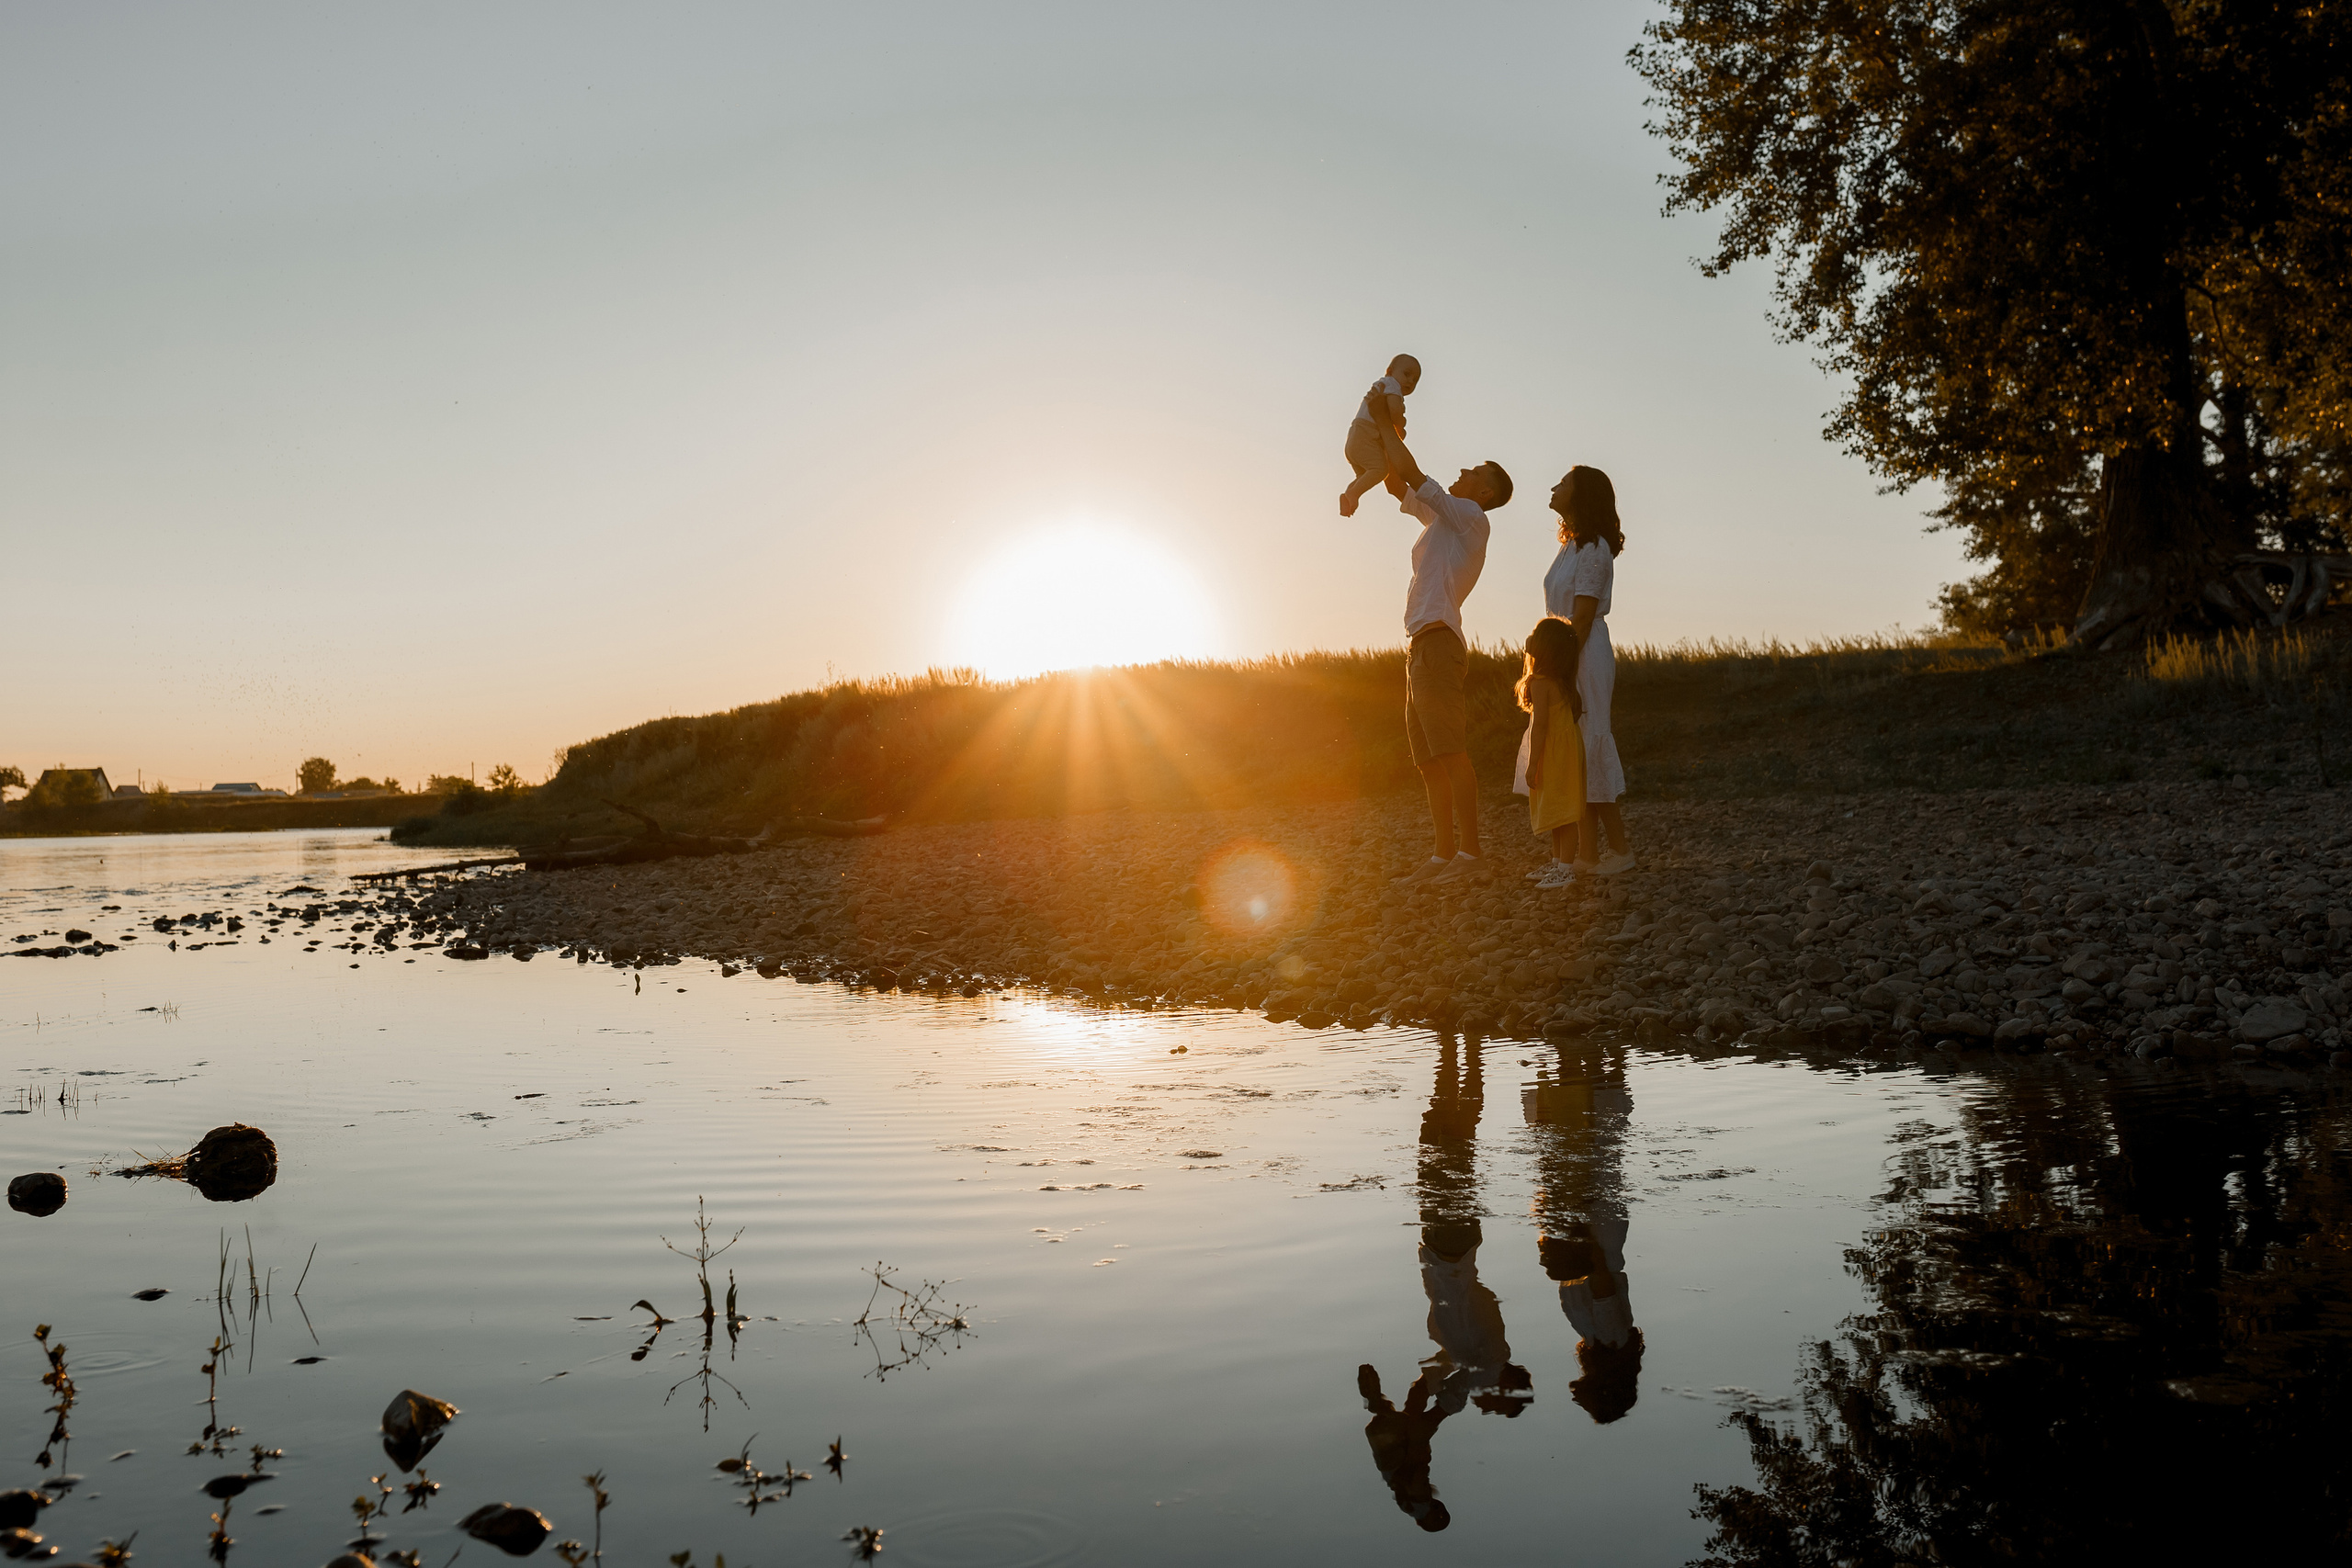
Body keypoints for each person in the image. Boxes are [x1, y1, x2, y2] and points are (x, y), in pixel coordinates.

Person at [1369, 409, 1512, 885]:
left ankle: (1471, 857)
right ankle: (1443, 856)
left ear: (1485, 493)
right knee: (1429, 760)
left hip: (1439, 642)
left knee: (1449, 752)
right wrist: (1380, 432)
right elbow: (1397, 484)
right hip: (1420, 646)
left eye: (1474, 472)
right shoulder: (1444, 521)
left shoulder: (1469, 517)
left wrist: (1387, 426)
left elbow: (1412, 474)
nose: (1464, 471)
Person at [1547, 466, 1634, 874]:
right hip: (1565, 650)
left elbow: (1581, 618)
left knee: (1590, 743)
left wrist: (1559, 671)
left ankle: (1619, 851)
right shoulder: (1570, 546)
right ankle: (1587, 855)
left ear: (1581, 496)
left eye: (1563, 483)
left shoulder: (1594, 548)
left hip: (1582, 653)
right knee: (1576, 749)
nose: (1554, 487)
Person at [1516, 617, 1585, 889]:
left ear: (1546, 647)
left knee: (1563, 810)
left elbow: (1541, 725)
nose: (1530, 637)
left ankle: (1566, 868)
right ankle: (1558, 863)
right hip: (1567, 749)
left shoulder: (1542, 683)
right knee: (1558, 806)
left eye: (1535, 633)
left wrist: (1533, 764)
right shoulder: (1558, 681)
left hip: (1557, 752)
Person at [1340, 354, 1420, 517]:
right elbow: (1395, 411)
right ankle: (1353, 494)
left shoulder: (1382, 385)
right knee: (1381, 470)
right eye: (1407, 374)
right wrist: (1401, 423)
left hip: (1355, 439)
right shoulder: (1391, 384)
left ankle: (1349, 498)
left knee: (1364, 475)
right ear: (1390, 371)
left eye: (1415, 380)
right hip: (1366, 436)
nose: (1410, 381)